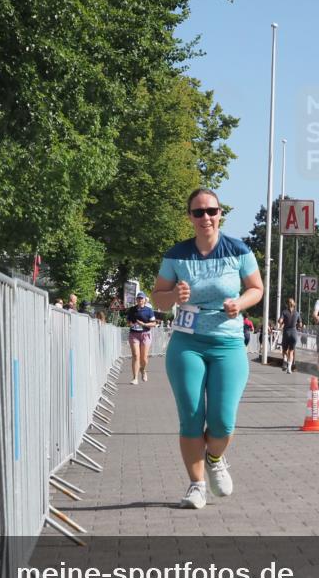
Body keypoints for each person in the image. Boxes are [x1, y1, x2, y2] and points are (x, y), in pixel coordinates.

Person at [152, 188, 263, 510]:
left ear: (220, 213)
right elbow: (158, 295)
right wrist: (174, 296)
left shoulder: (238, 250)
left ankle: (215, 457)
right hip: (187, 343)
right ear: (189, 217)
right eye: (198, 212)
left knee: (223, 421)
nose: (206, 218)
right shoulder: (177, 255)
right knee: (190, 418)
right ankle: (196, 485)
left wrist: (239, 303)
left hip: (228, 342)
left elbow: (257, 288)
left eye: (211, 211)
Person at [126, 291, 158, 385]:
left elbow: (154, 323)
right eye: (138, 298)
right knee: (136, 355)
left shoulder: (149, 310)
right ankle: (135, 378)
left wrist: (144, 324)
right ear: (136, 299)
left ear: (144, 300)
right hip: (134, 334)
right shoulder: (132, 310)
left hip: (145, 334)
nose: (140, 300)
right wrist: (131, 324)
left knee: (144, 358)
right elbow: (128, 321)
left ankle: (143, 370)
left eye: (141, 298)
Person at [276, 298, 301, 374]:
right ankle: (289, 368)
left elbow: (280, 321)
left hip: (286, 333)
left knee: (284, 349)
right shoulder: (297, 313)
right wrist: (298, 325)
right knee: (291, 351)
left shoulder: (284, 312)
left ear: (287, 304)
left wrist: (280, 321)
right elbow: (300, 324)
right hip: (294, 333)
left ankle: (285, 361)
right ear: (294, 304)